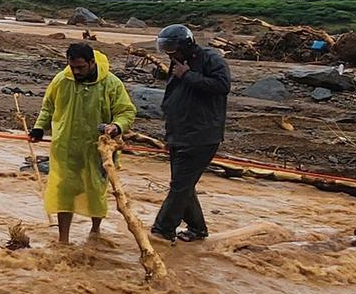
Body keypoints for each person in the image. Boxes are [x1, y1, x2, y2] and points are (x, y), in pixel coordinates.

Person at [28, 41, 136, 245]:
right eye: (72, 67)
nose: (76, 72)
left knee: (96, 191)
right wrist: (39, 128)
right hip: (66, 148)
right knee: (64, 192)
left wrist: (116, 126)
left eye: (81, 67)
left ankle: (95, 231)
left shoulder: (111, 84)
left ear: (92, 63)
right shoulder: (62, 80)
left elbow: (126, 111)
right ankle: (63, 240)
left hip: (98, 150)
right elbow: (48, 106)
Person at [151, 23, 230, 242]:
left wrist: (188, 75)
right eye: (166, 48)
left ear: (186, 44)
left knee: (179, 186)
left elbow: (223, 86)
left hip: (202, 135)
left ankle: (162, 230)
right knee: (183, 185)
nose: (169, 52)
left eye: (172, 47)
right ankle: (197, 229)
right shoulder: (177, 62)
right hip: (179, 133)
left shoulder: (211, 60)